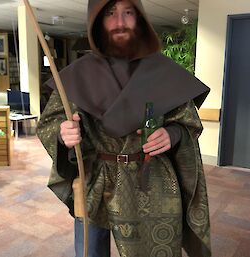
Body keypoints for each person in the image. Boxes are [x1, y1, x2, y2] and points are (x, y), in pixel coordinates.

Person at [37, 0, 211, 256]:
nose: (120, 22)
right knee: (90, 250)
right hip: (95, 178)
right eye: (110, 13)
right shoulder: (77, 75)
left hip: (151, 181)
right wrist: (64, 134)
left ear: (139, 17)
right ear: (96, 20)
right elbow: (52, 122)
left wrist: (172, 134)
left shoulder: (163, 72)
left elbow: (188, 123)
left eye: (128, 12)